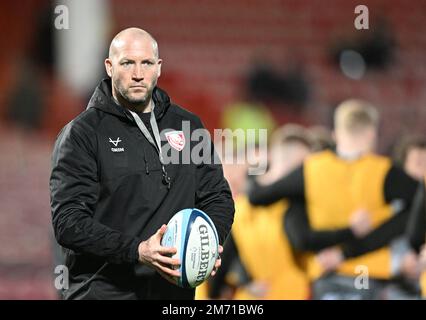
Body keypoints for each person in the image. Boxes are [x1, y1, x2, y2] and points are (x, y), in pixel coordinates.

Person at [49, 27, 235, 300]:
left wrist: (208, 242)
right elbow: (68, 222)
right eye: (127, 63)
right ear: (110, 67)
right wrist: (137, 251)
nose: (138, 74)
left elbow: (218, 196)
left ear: (158, 68)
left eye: (146, 63)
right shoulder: (82, 134)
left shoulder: (187, 125)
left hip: (172, 296)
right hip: (103, 292)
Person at [248, 99, 419, 299]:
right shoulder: (383, 172)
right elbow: (418, 207)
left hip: (325, 276)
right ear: (371, 133)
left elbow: (258, 197)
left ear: (336, 133)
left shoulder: (311, 169)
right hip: (369, 274)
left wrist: (263, 167)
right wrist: (350, 250)